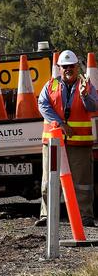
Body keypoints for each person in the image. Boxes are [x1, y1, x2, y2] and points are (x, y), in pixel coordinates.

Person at [36, 50, 98, 227]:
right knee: (49, 182)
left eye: (71, 66)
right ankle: (47, 215)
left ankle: (85, 216)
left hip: (79, 144)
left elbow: (93, 106)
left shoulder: (86, 85)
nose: (68, 69)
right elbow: (43, 104)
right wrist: (60, 123)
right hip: (53, 143)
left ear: (77, 67)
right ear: (59, 68)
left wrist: (85, 95)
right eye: (65, 67)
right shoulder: (50, 86)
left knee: (82, 183)